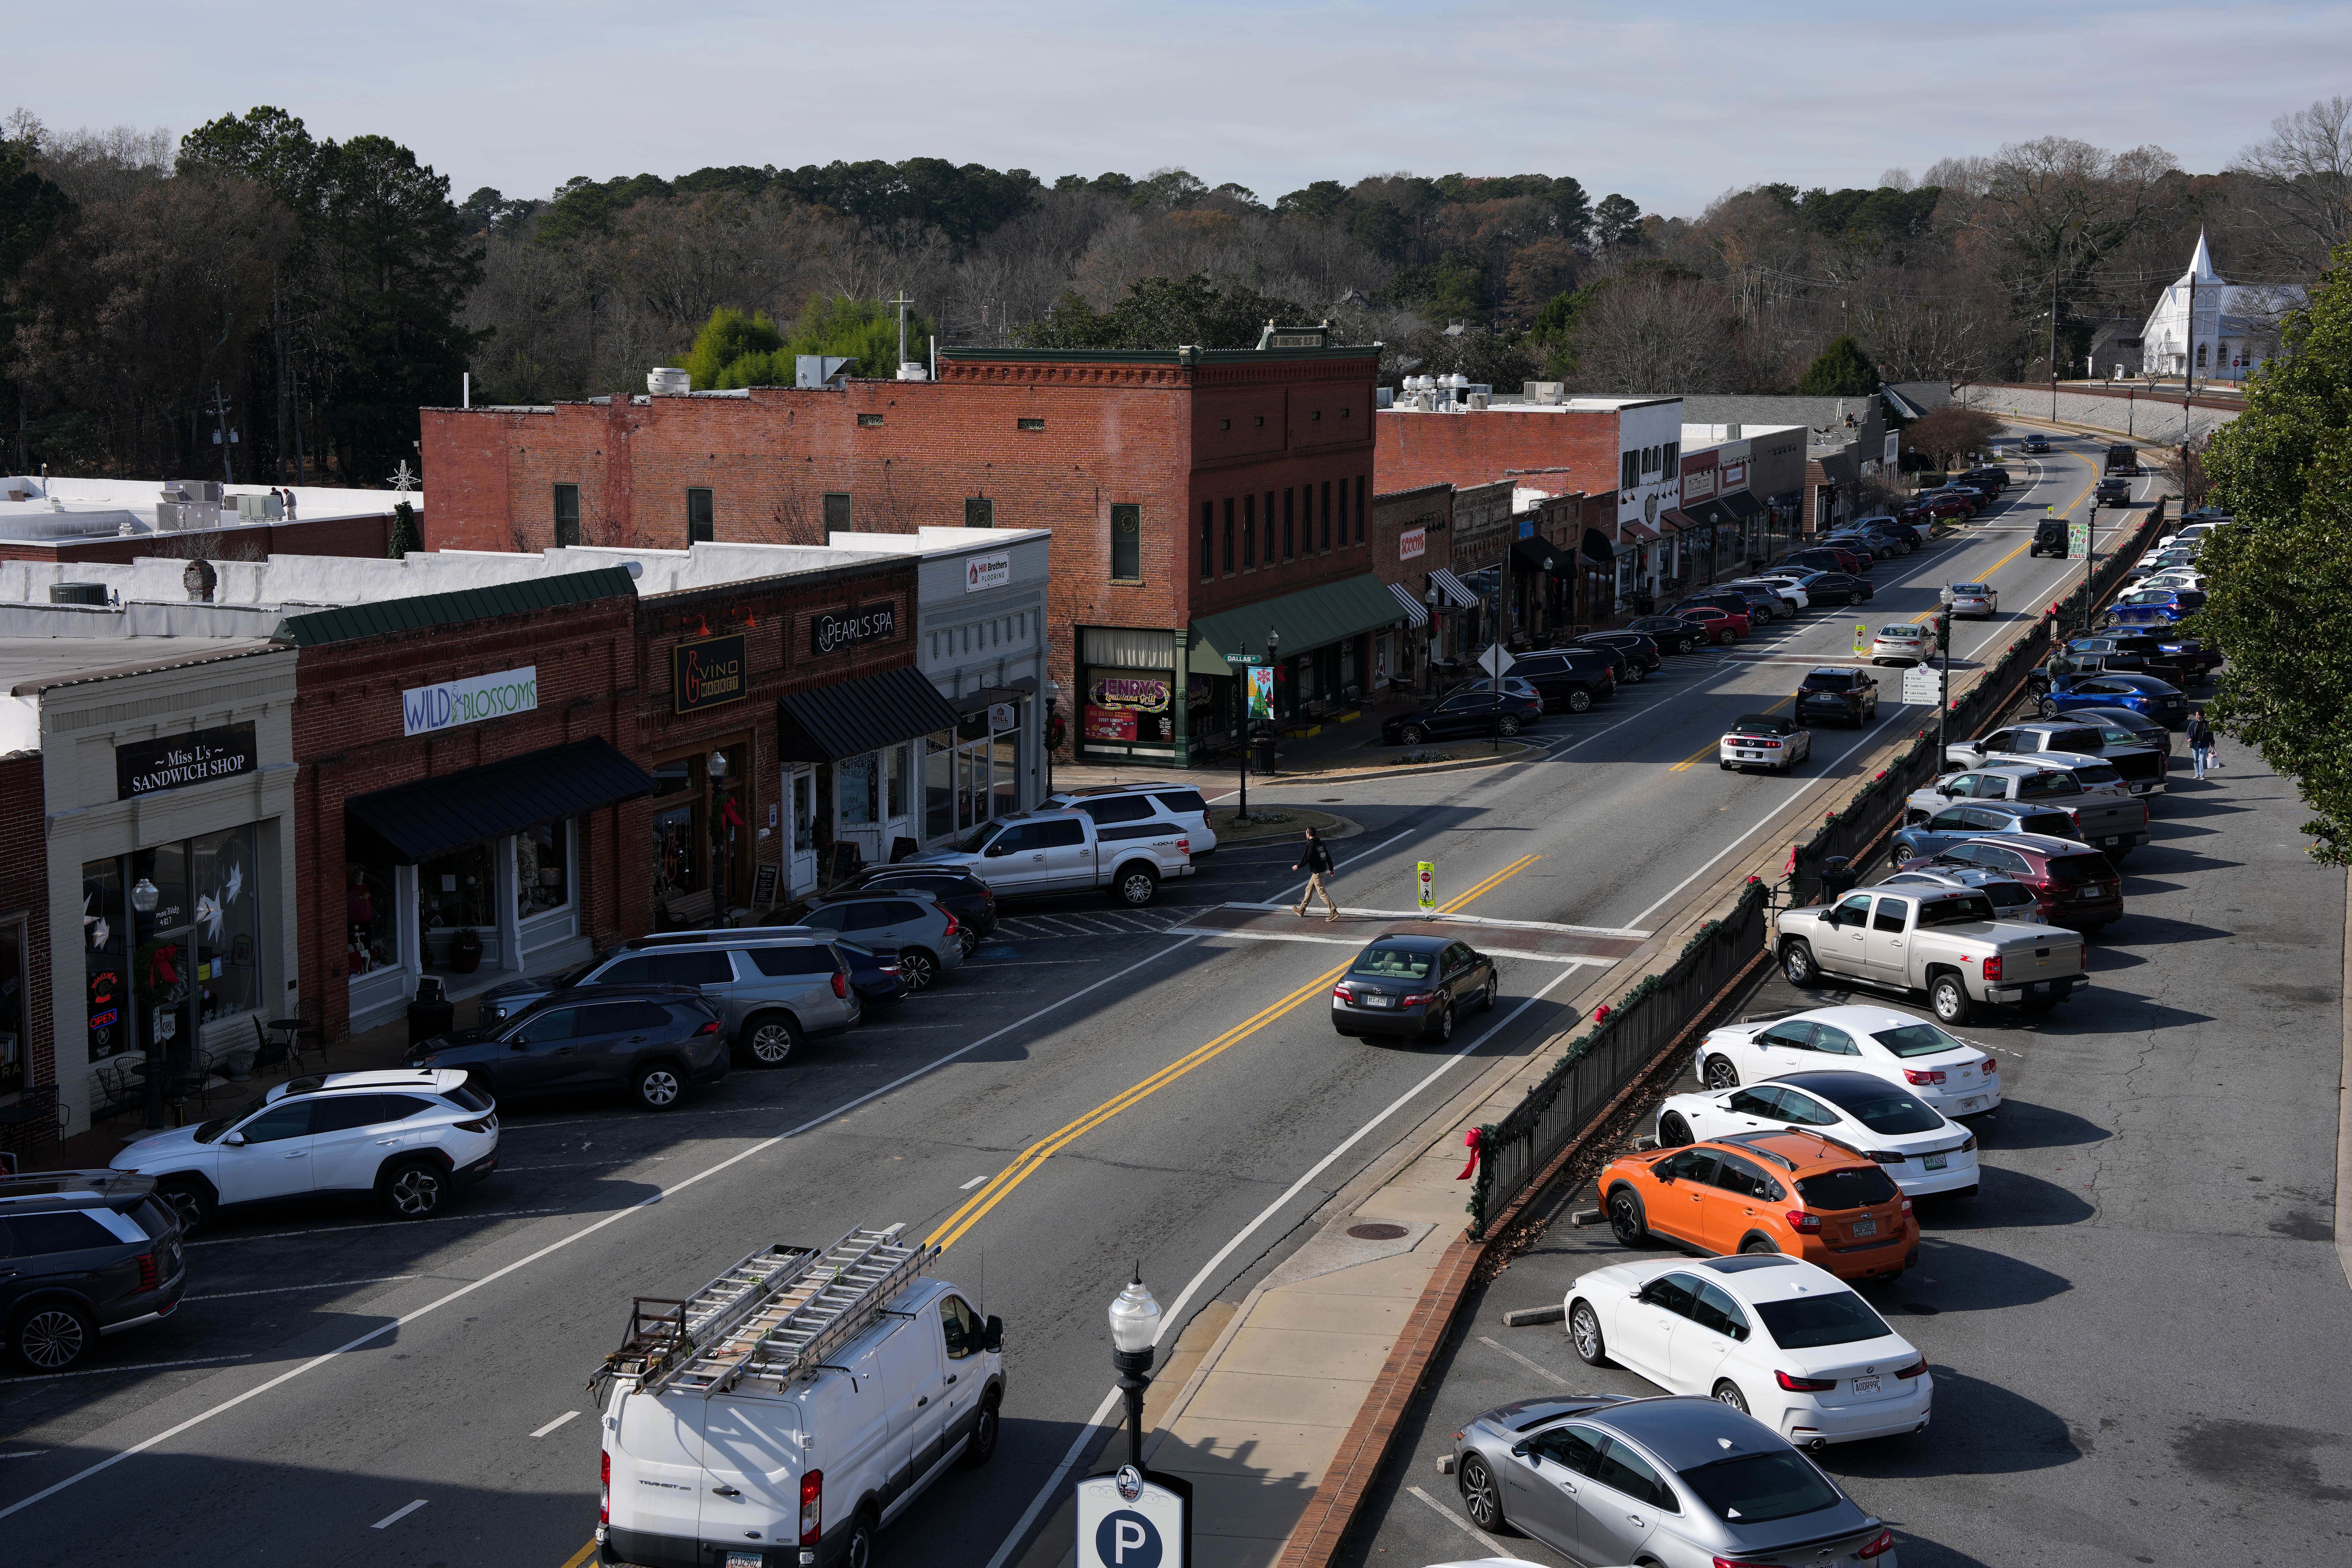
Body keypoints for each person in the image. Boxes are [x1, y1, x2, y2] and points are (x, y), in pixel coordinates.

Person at [1291, 826, 1339, 921]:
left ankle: (1333, 911)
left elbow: (1307, 858)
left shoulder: (1311, 844)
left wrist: (1299, 866)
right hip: (1321, 871)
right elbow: (1328, 857)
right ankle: (1302, 909)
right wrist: (1331, 869)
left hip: (1317, 873)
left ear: (1309, 834)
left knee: (1322, 893)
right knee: (1309, 889)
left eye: (1306, 834)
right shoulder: (1321, 843)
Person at [2186, 709, 2216, 779]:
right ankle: (2197, 774)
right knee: (2196, 760)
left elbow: (2211, 735)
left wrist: (2212, 745)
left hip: (2204, 744)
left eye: (2198, 715)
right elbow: (2188, 733)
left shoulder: (2207, 724)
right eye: (2196, 715)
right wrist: (2189, 738)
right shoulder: (2193, 723)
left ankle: (2202, 775)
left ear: (2202, 716)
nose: (2197, 716)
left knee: (2202, 759)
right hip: (2195, 744)